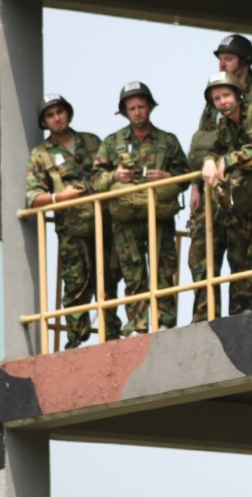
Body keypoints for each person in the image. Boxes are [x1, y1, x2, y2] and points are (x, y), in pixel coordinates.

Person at [188, 34, 252, 321]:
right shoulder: (219, 112)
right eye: (217, 98)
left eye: (228, 57)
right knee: (234, 255)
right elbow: (210, 146)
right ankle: (237, 312)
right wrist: (206, 165)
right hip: (235, 194)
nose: (222, 102)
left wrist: (226, 161)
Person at [26, 94, 122, 349]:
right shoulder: (41, 154)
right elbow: (33, 197)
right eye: (50, 115)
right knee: (76, 284)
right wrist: (60, 197)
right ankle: (75, 341)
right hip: (72, 230)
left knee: (109, 278)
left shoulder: (92, 141)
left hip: (104, 222)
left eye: (60, 112)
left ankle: (112, 335)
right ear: (44, 122)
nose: (57, 118)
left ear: (68, 112)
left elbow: (111, 173)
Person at [92, 82, 189, 336]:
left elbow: (186, 178)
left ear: (150, 107)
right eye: (132, 108)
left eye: (141, 106)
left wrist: (167, 175)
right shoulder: (112, 143)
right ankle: (138, 326)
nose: (137, 112)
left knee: (164, 270)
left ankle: (165, 322)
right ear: (125, 111)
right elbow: (94, 182)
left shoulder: (168, 141)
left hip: (160, 217)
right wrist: (115, 176)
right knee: (133, 274)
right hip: (126, 221)